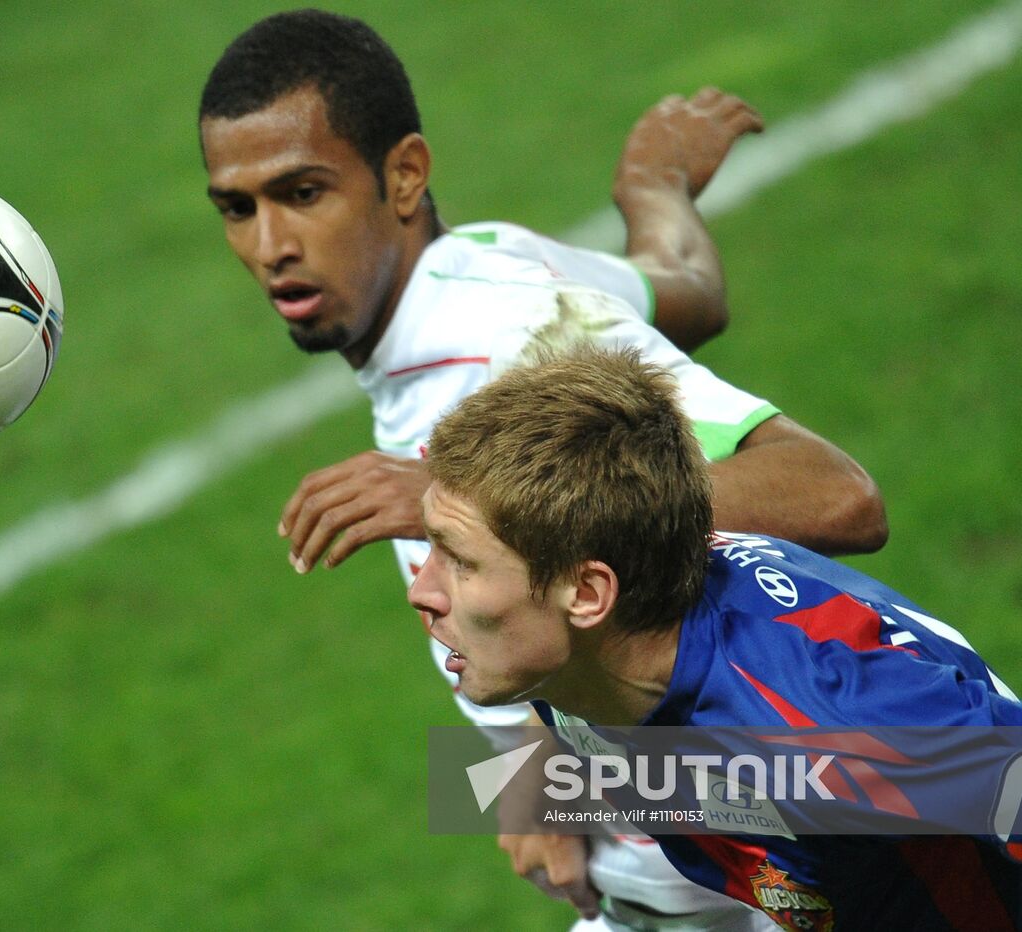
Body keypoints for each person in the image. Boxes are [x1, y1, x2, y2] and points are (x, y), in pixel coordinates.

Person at [199, 9, 886, 927]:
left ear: (403, 175)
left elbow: (836, 496)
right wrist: (654, 186)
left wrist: (465, 502)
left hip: (749, 882)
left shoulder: (513, 326)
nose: (270, 244)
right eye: (238, 208)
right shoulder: (486, 258)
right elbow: (684, 295)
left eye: (303, 193)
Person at [409, 344, 1022, 930]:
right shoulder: (591, 657)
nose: (422, 592)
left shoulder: (821, 725)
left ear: (587, 595)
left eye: (459, 561)